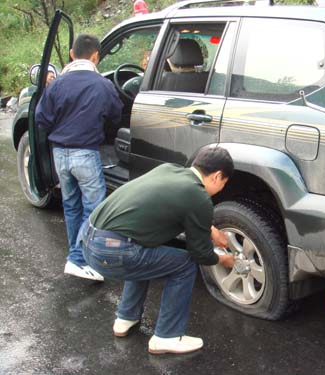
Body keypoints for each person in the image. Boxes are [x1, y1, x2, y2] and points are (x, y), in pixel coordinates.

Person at [78, 147, 235, 354]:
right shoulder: (199, 197)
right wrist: (223, 260)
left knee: (145, 252)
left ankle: (126, 318)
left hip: (88, 240)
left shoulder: (168, 169)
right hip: (111, 252)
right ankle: (167, 337)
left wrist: (211, 229)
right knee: (186, 264)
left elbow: (174, 205)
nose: (221, 189)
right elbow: (201, 253)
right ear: (217, 176)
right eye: (223, 184)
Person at [35, 34, 123, 281]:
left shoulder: (57, 84)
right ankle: (77, 258)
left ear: (72, 55)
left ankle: (77, 256)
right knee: (94, 210)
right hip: (85, 152)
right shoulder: (102, 85)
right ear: (95, 56)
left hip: (60, 154)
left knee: (72, 206)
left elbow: (42, 118)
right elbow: (116, 117)